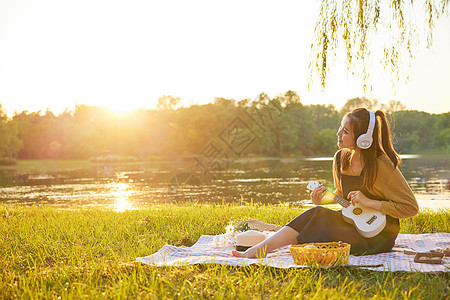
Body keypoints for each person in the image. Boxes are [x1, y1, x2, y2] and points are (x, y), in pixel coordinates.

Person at [232, 108, 419, 258]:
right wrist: (323, 200)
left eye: (345, 131)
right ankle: (258, 250)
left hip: (378, 235)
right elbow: (342, 194)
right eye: (340, 127)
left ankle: (257, 251)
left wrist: (369, 202)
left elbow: (410, 207)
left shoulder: (382, 165)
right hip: (351, 224)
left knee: (317, 218)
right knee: (316, 213)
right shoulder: (340, 159)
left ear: (364, 139)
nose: (338, 133)